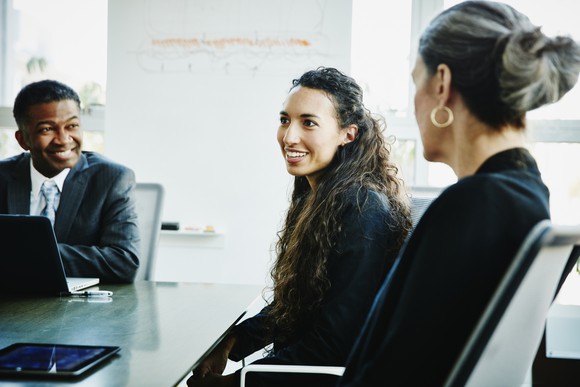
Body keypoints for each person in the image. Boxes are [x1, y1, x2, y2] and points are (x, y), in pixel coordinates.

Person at [337, 2, 580, 386]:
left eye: (416, 81)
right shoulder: (525, 193)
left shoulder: (473, 206)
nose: (414, 102)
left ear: (442, 84)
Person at [187, 67, 412, 387]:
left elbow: (334, 344)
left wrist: (236, 382)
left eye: (309, 122)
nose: (289, 136)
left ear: (348, 133)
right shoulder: (314, 195)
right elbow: (298, 305)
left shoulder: (363, 208)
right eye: (284, 120)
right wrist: (234, 342)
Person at [0, 79, 140, 283]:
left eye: (72, 126)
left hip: (81, 309)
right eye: (47, 129)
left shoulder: (112, 179)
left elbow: (123, 262)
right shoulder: (3, 177)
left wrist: (31, 254)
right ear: (23, 140)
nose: (64, 139)